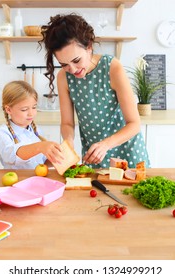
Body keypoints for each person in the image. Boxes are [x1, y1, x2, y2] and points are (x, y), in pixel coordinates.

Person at [39, 13, 150, 169]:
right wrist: (68, 143)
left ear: (89, 47)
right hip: (94, 157)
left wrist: (105, 145)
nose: (72, 69)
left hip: (128, 152)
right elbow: (67, 123)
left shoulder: (112, 68)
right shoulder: (63, 77)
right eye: (64, 64)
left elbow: (134, 124)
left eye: (76, 60)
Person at [0, 80, 63, 169]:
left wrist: (57, 157)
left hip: (37, 179)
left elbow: (42, 162)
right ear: (8, 110)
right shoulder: (2, 134)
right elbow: (11, 156)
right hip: (17, 181)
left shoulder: (36, 130)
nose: (31, 113)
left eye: (34, 107)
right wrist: (40, 147)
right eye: (24, 109)